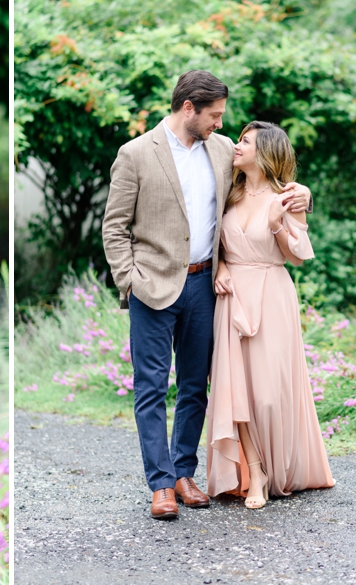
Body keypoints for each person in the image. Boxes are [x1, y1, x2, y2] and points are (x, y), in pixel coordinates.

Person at [102, 70, 312, 520]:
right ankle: (160, 485)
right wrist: (131, 280)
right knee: (152, 387)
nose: (221, 124)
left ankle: (183, 473)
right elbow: (114, 227)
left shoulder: (222, 153)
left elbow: (267, 188)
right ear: (188, 109)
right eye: (214, 115)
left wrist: (305, 197)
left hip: (206, 286)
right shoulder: (136, 154)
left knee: (196, 386)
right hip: (152, 287)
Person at [205, 121, 334, 508]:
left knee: (267, 397)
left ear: (266, 153)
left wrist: (278, 226)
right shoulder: (229, 191)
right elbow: (216, 244)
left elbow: (297, 256)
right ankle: (256, 472)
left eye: (245, 141)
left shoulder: (289, 196)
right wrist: (222, 268)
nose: (237, 145)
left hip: (272, 295)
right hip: (231, 297)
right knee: (233, 391)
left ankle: (284, 466)